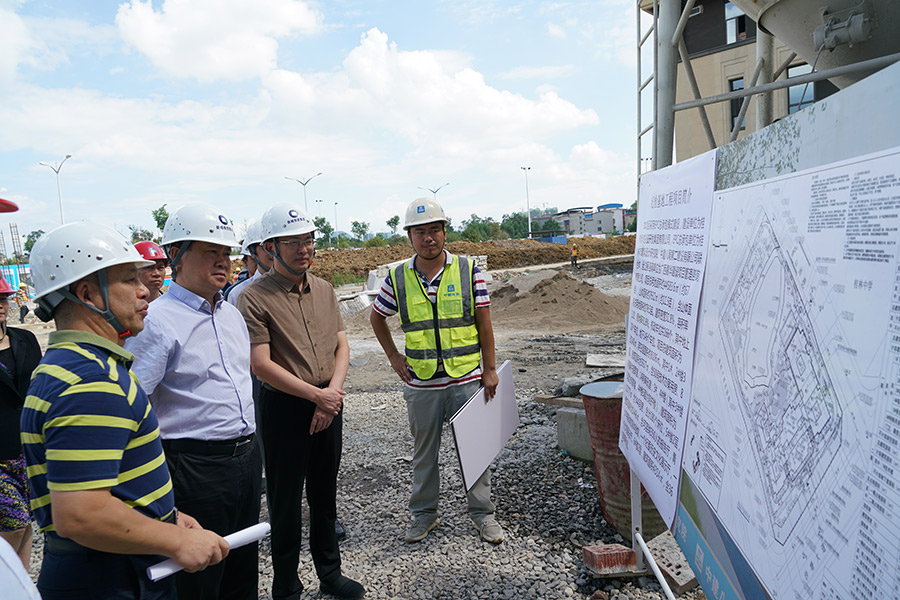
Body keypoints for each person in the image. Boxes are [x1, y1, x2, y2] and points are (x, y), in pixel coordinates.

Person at [21, 222, 228, 600]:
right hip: (110, 576)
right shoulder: (91, 381)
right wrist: (175, 540)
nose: (145, 290)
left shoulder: (68, 364)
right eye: (129, 279)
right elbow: (81, 513)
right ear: (87, 293)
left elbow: (102, 480)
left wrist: (165, 517)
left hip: (105, 565)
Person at [125, 204, 261, 600]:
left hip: (245, 459)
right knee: (198, 576)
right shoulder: (156, 321)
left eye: (226, 253)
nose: (223, 262)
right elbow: (135, 405)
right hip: (193, 468)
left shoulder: (230, 314)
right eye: (210, 252)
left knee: (241, 569)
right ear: (177, 256)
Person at [237, 203, 364, 600]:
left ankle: (330, 572)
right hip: (285, 408)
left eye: (308, 240)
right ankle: (286, 585)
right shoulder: (253, 298)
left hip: (329, 401)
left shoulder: (324, 289)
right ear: (270, 247)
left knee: (324, 493)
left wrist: (331, 396)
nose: (304, 249)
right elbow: (261, 364)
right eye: (292, 242)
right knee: (285, 500)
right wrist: (316, 396)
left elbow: (342, 346)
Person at [370, 197, 505, 545]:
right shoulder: (397, 277)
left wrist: (490, 369)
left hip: (466, 378)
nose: (428, 238)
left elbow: (485, 324)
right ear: (409, 237)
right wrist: (394, 357)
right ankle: (424, 514)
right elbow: (377, 317)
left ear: (445, 232)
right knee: (424, 455)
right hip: (422, 383)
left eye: (434, 230)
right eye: (420, 232)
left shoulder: (468, 270)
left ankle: (483, 514)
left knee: (476, 449)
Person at [0, 275, 41, 569]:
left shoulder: (25, 339)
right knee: (13, 524)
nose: (0, 305)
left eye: (2, 299)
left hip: (27, 449)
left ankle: (22, 585)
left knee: (26, 522)